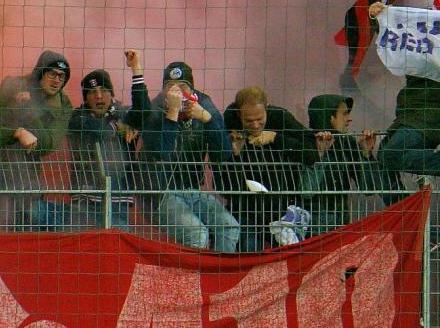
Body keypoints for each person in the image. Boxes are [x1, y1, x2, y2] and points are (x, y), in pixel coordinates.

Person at [140, 61, 240, 252]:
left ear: (192, 90)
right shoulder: (154, 109)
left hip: (192, 189)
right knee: (197, 234)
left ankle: (218, 278)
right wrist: (172, 115)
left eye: (182, 87)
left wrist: (208, 120)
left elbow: (223, 154)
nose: (177, 93)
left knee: (229, 227)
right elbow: (159, 152)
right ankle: (192, 281)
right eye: (170, 87)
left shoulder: (204, 104)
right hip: (160, 194)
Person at [222, 87, 329, 252]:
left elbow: (311, 153)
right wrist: (235, 154)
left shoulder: (280, 117)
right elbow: (223, 178)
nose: (255, 125)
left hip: (282, 206)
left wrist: (275, 138)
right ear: (238, 114)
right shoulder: (228, 123)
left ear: (267, 108)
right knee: (249, 252)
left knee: (291, 257)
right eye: (249, 121)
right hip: (246, 208)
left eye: (260, 119)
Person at [0, 50, 73, 231]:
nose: (57, 80)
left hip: (29, 180)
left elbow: (47, 145)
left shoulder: (63, 105)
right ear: (40, 72)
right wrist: (16, 132)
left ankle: (71, 216)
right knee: (10, 230)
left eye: (62, 77)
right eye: (52, 74)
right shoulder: (14, 88)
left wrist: (28, 111)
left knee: (34, 217)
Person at [66, 51, 149, 231]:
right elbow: (97, 130)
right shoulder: (77, 117)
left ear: (111, 94)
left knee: (117, 249)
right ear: (85, 99)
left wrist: (136, 70)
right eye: (92, 92)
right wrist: (117, 127)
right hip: (85, 202)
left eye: (103, 90)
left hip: (118, 198)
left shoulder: (124, 114)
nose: (98, 96)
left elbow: (144, 113)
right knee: (85, 251)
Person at [303, 93, 404, 235]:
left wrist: (365, 154)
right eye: (344, 114)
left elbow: (368, 188)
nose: (349, 119)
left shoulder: (347, 143)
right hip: (309, 227)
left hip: (340, 225)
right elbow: (306, 191)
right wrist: (320, 155)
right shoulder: (304, 143)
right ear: (329, 117)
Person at [368, 1, 440, 175]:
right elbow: (397, 31)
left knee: (391, 156)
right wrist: (378, 17)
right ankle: (400, 202)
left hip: (428, 116)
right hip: (411, 114)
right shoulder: (425, 26)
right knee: (383, 162)